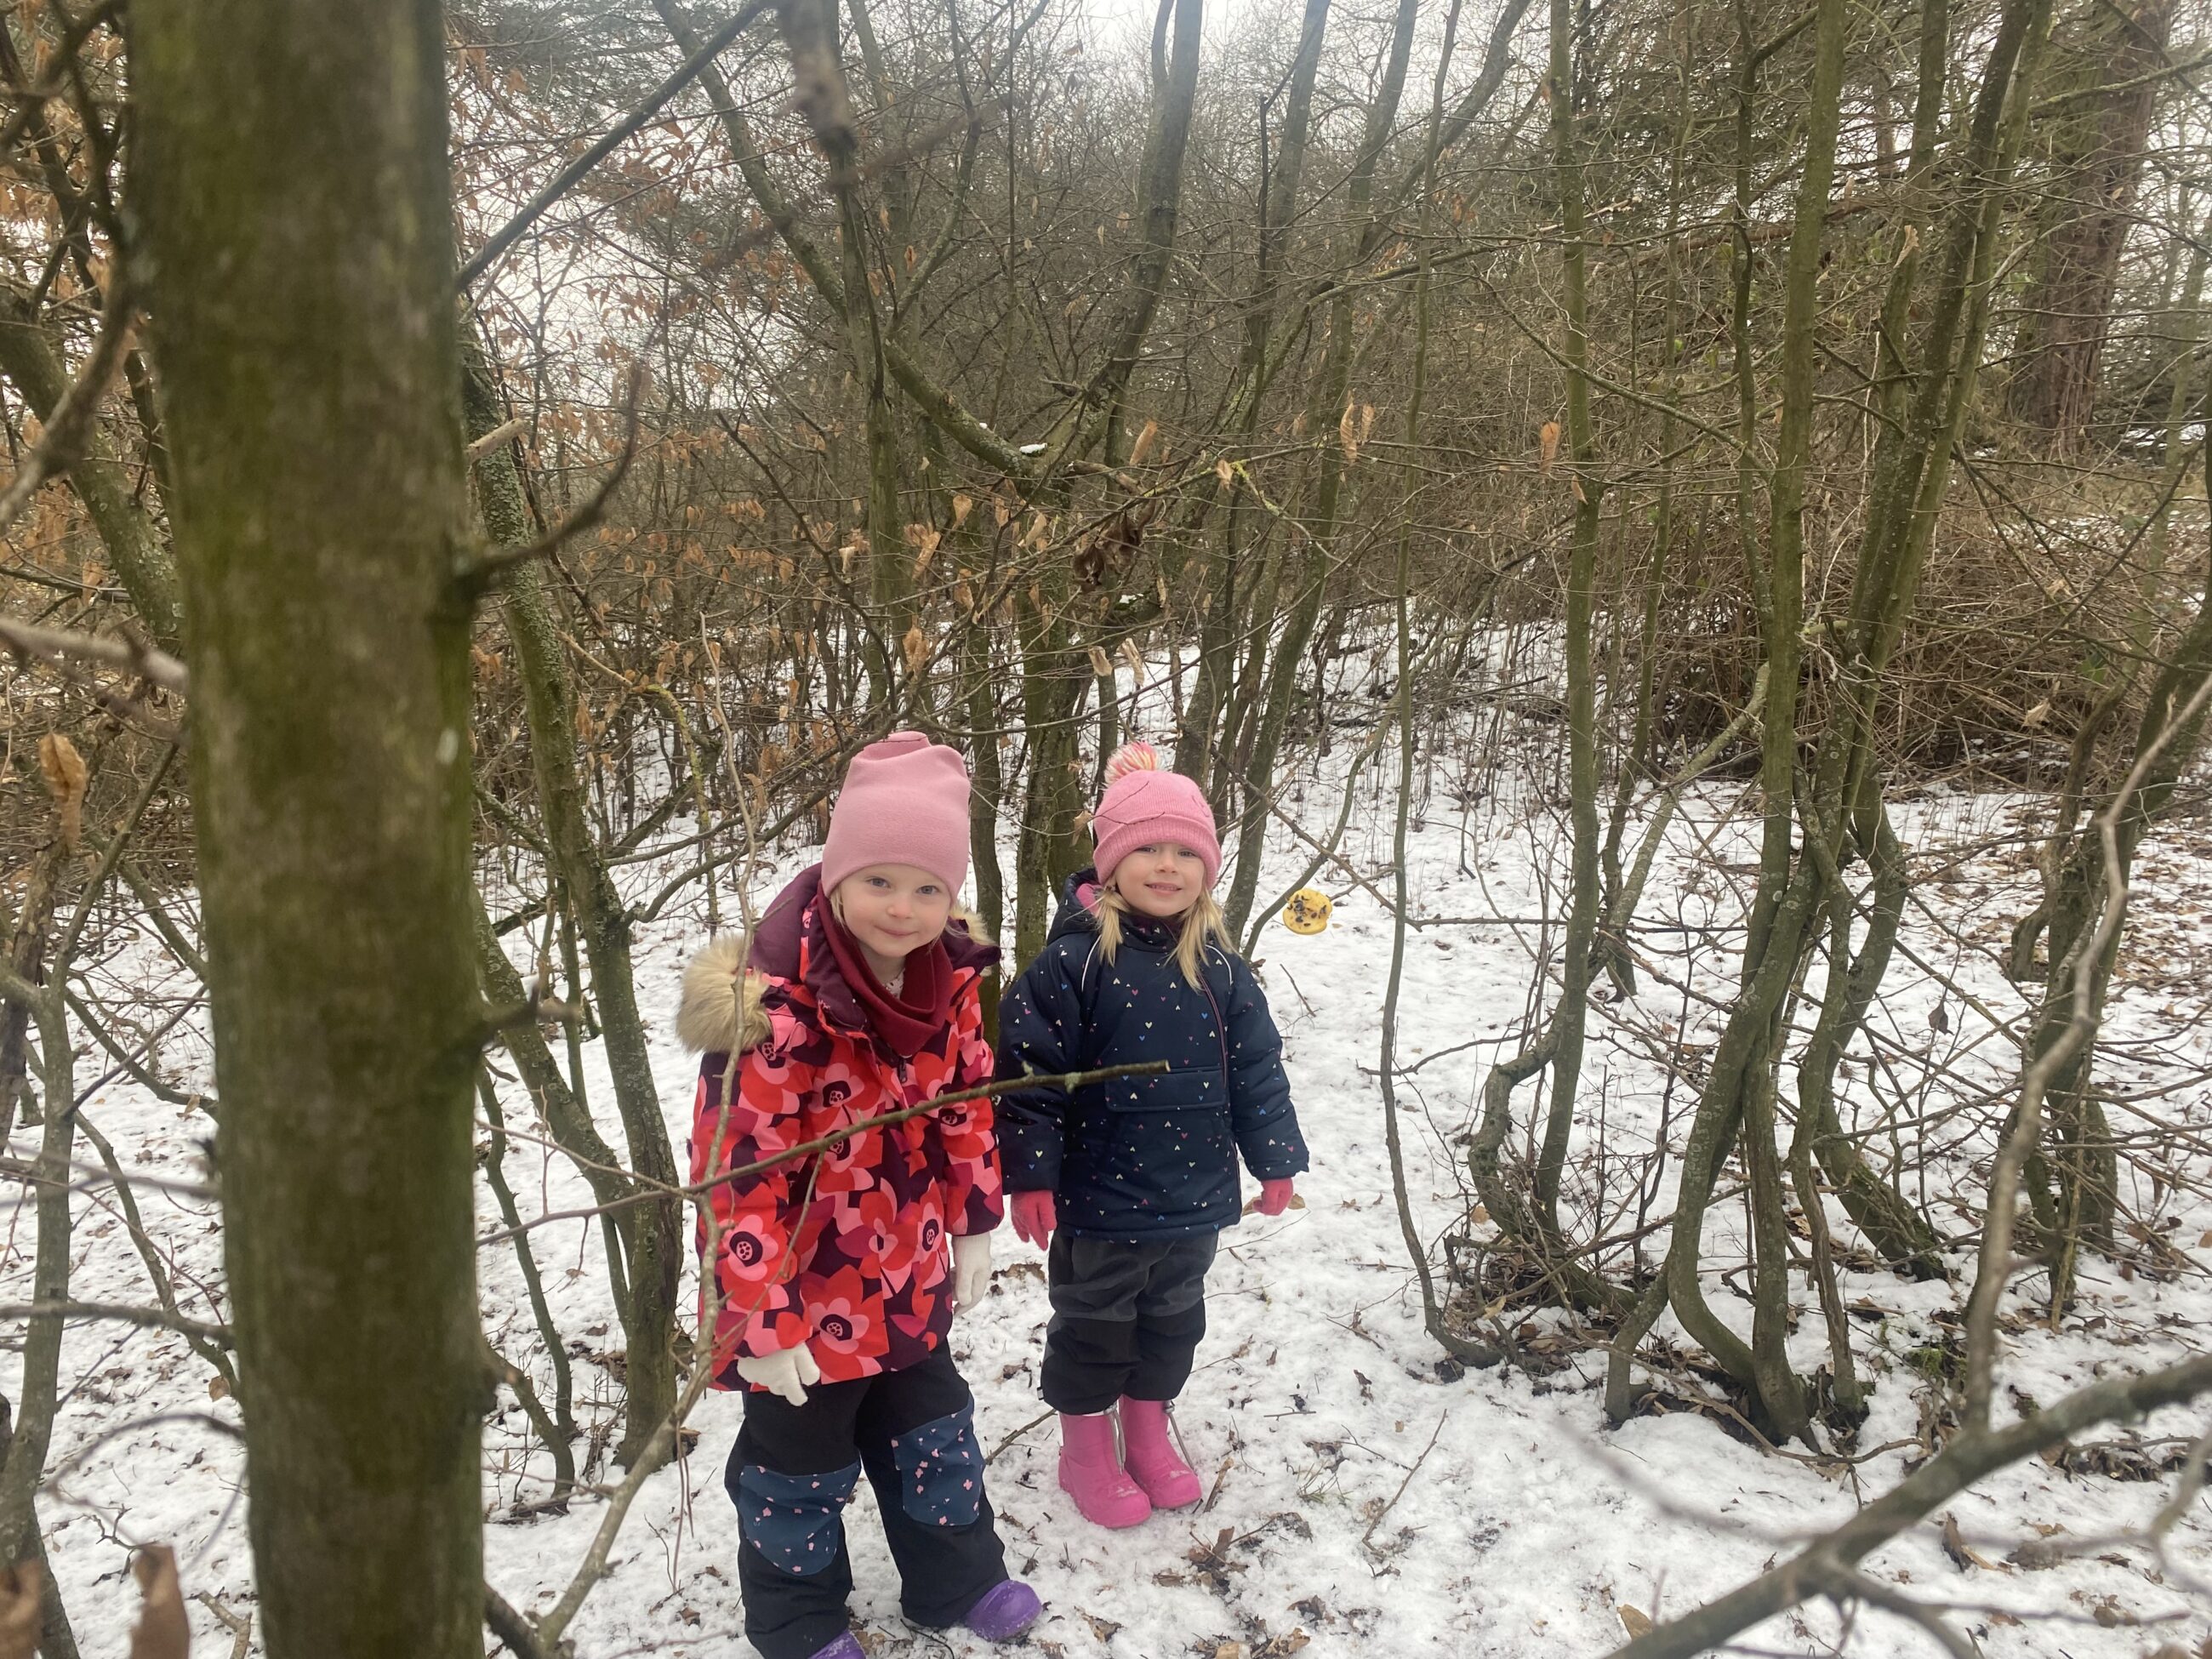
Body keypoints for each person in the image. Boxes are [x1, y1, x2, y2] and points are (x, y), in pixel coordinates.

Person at [679, 732, 1040, 1659]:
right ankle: (798, 1622)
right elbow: (735, 1174)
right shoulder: (774, 1012)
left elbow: (965, 1104)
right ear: (838, 876)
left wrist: (973, 1221)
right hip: (800, 1296)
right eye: (880, 881)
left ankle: (957, 1579)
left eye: (927, 888)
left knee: (935, 1437)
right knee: (796, 1474)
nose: (903, 909)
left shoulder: (946, 980)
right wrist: (758, 1320)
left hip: (909, 1273)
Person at [994, 741, 1309, 1528]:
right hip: (1102, 1196)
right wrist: (1031, 1174)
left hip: (1193, 1195)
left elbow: (1257, 1070)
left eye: (1185, 853)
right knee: (1095, 1326)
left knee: (1173, 1322)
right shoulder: (1071, 966)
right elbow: (1030, 1075)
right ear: (1110, 862)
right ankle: (1084, 1450)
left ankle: (1145, 1432)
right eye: (1147, 850)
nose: (1167, 866)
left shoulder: (1222, 970)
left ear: (1207, 870)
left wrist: (1274, 1159)